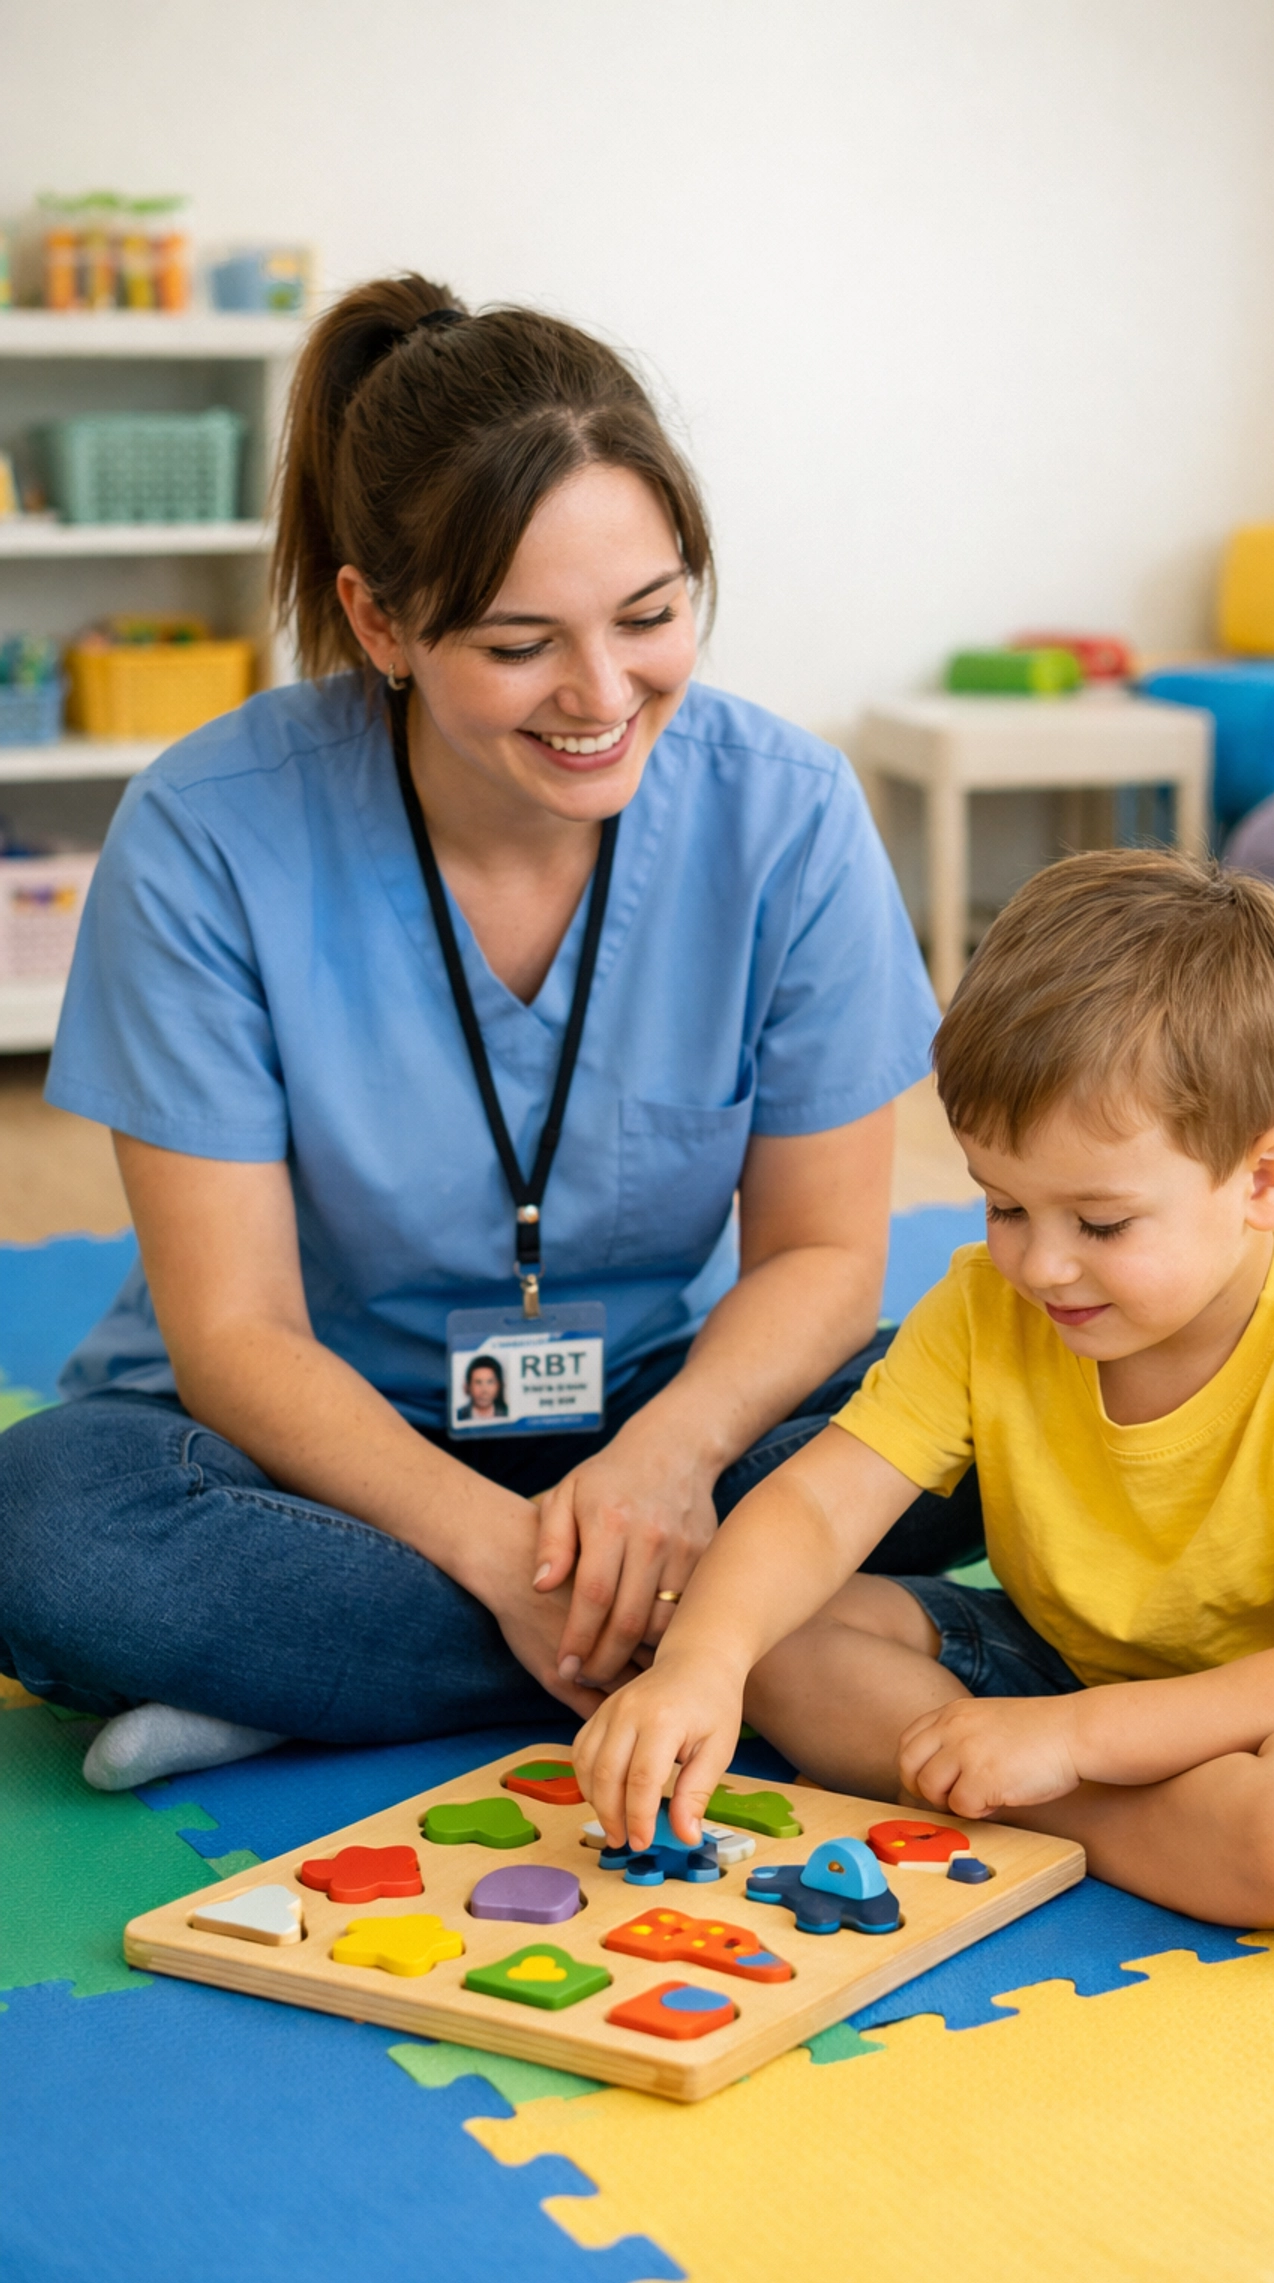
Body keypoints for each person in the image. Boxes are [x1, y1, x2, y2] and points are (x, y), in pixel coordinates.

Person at [0, 273, 972, 1793]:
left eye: (650, 618)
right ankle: (737, 1648)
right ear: (378, 620)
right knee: (53, 1535)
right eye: (522, 645)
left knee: (1031, 1393)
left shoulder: (787, 815)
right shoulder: (206, 833)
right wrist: (508, 1557)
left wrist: (666, 1462)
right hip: (313, 1468)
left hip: (667, 1428)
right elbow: (238, 1333)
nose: (604, 696)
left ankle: (333, 1678)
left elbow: (823, 1260)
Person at [574, 851, 1274, 1928]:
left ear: (1264, 1181)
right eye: (1003, 1206)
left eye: (1101, 1224)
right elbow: (818, 1502)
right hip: (1069, 1664)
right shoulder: (992, 1304)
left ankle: (1061, 1818)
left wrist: (1069, 1747)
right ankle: (1092, 1806)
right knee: (772, 1631)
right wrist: (702, 1662)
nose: (1041, 1266)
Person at [455, 1356, 509, 1426]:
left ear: (499, 1386)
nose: (484, 1390)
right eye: (478, 1382)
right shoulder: (458, 1415)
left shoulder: (507, 1413)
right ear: (468, 1387)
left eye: (490, 1382)